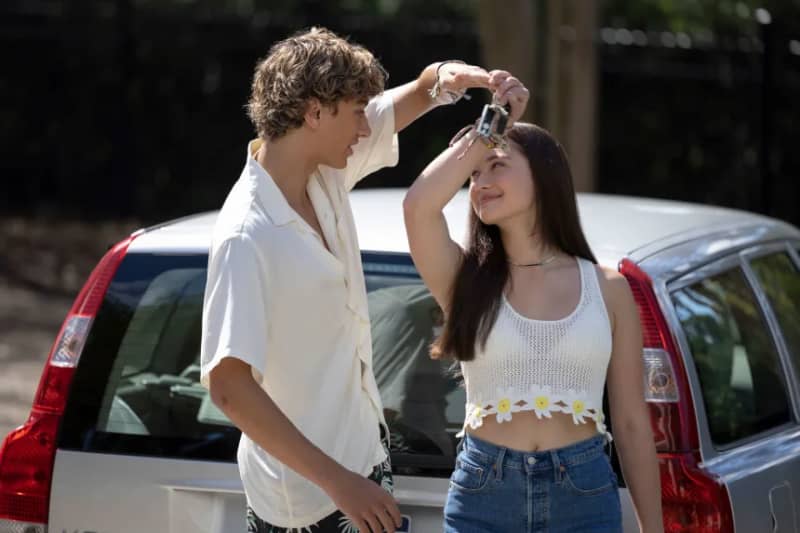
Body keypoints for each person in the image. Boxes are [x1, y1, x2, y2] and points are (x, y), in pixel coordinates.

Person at [199, 27, 491, 533]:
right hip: (306, 501)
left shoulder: (320, 167)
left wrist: (443, 80)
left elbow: (411, 98)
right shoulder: (246, 235)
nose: (364, 127)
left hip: (361, 465)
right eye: (356, 111)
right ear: (314, 113)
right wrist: (339, 483)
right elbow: (228, 387)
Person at [402, 70, 664, 532]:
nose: (480, 180)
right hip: (484, 495)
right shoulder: (464, 279)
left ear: (544, 177)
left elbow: (630, 423)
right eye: (474, 172)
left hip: (584, 495)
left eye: (497, 164)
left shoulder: (609, 289)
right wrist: (492, 125)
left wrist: (654, 529)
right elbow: (419, 204)